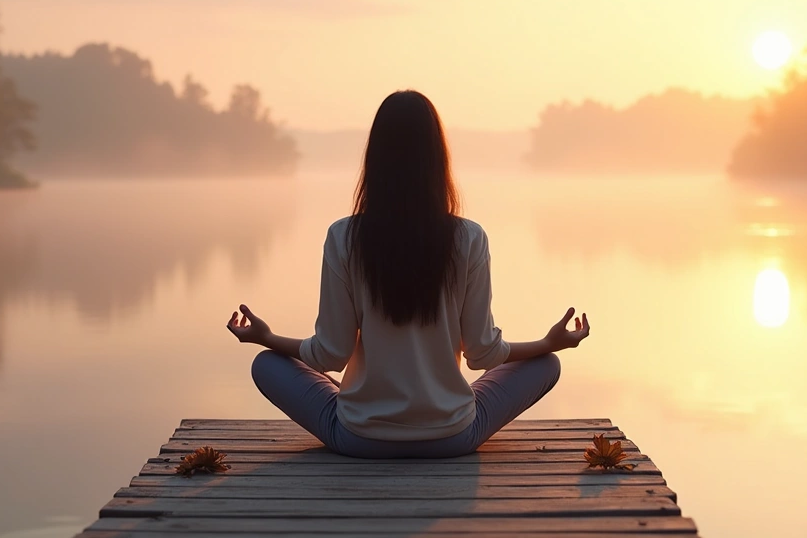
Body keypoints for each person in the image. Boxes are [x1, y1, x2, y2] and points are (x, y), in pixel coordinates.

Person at [226, 90, 591, 458]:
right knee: (546, 364)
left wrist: (266, 337)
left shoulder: (344, 238)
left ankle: (366, 401)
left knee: (267, 364)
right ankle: (427, 406)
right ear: (437, 160)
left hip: (359, 439)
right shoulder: (469, 238)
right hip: (453, 437)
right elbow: (482, 353)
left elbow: (330, 355)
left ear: (374, 160)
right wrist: (547, 344)